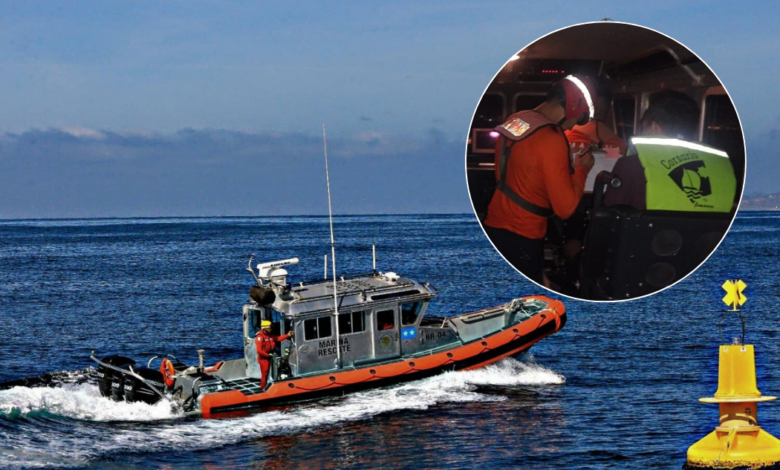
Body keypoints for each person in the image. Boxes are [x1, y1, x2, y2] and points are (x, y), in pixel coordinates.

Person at [483, 75, 597, 283]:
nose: (571, 127)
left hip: (495, 224)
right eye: (576, 119)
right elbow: (565, 209)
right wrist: (582, 169)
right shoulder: (552, 137)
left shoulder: (517, 119)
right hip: (524, 233)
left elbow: (521, 168)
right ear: (572, 108)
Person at [604, 90, 736, 212]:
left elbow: (610, 216)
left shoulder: (631, 165)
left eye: (642, 127)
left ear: (655, 127)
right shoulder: (722, 166)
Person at [255, 320, 294, 389]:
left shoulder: (269, 335)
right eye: (269, 328)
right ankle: (262, 388)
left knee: (266, 373)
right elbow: (259, 350)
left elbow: (278, 338)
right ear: (265, 328)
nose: (271, 329)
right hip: (263, 358)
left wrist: (288, 335)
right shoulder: (260, 337)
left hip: (269, 356)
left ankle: (266, 386)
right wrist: (267, 355)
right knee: (265, 373)